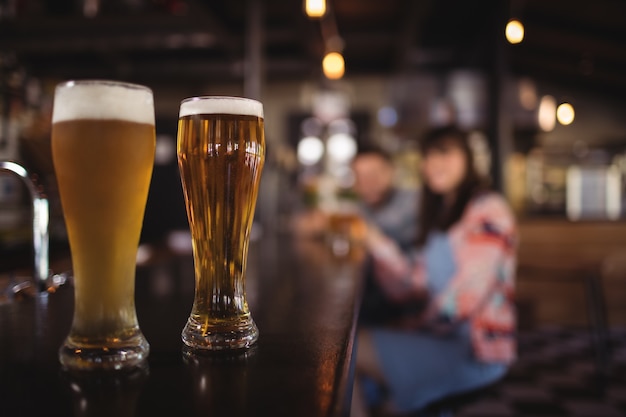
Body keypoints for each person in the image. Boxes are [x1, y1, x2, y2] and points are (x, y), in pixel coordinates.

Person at [351, 125, 518, 417]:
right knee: (348, 348)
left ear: (468, 158)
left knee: (344, 352)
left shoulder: (488, 209)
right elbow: (412, 286)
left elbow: (466, 295)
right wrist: (377, 243)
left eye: (445, 153)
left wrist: (413, 325)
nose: (434, 163)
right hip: (441, 334)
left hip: (475, 350)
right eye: (428, 156)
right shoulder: (442, 213)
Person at [350, 145, 421, 325]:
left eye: (374, 174)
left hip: (411, 312)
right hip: (377, 306)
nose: (367, 182)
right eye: (360, 176)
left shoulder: (414, 202)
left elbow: (387, 227)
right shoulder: (363, 207)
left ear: (391, 172)